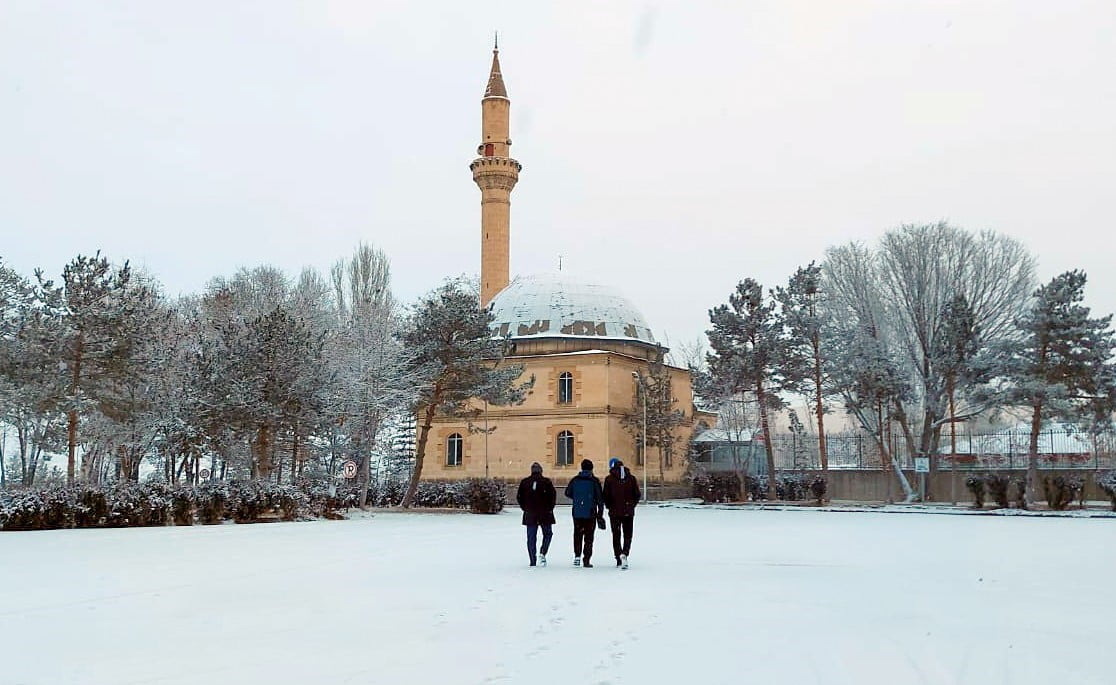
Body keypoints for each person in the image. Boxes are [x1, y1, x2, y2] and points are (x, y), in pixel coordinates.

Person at [563, 458, 604, 568]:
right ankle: (586, 559)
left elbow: (567, 492)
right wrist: (600, 513)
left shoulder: (575, 480)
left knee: (577, 534)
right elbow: (600, 498)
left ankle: (577, 556)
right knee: (589, 537)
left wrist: (577, 498)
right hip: (590, 512)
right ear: (591, 469)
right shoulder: (594, 481)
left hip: (577, 512)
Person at [603, 457, 641, 569]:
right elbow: (637, 494)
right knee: (628, 534)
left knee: (616, 535)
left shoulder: (609, 479)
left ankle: (618, 557)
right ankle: (625, 553)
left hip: (614, 512)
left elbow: (605, 495)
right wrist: (631, 505)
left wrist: (609, 506)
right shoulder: (631, 478)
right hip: (628, 511)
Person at [516, 462, 556, 567]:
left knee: (531, 537)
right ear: (541, 471)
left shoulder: (525, 482)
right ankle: (543, 551)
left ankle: (532, 560)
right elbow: (553, 496)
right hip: (545, 513)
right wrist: (549, 508)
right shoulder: (546, 482)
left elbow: (519, 497)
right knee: (548, 534)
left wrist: (525, 508)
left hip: (530, 513)